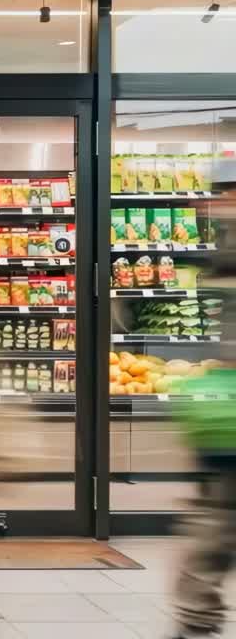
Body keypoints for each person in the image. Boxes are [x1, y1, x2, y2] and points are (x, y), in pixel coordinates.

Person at [168, 162, 236, 639]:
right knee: (215, 521)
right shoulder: (218, 254)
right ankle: (196, 617)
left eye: (221, 194)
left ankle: (196, 619)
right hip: (223, 419)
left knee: (214, 525)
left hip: (224, 417)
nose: (208, 205)